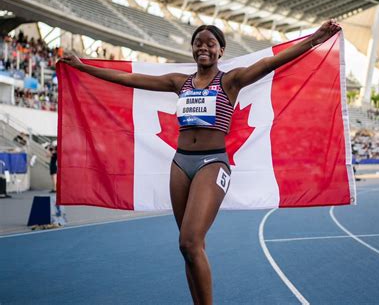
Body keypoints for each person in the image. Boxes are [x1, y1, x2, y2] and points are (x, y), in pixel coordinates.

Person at [59, 20, 341, 304]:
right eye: (198, 43)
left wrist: (314, 39)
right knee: (191, 248)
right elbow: (128, 80)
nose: (203, 47)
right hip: (180, 164)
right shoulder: (179, 83)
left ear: (221, 50)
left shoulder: (231, 81)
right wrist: (82, 66)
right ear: (192, 49)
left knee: (189, 241)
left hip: (212, 163)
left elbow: (270, 63)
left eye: (210, 43)